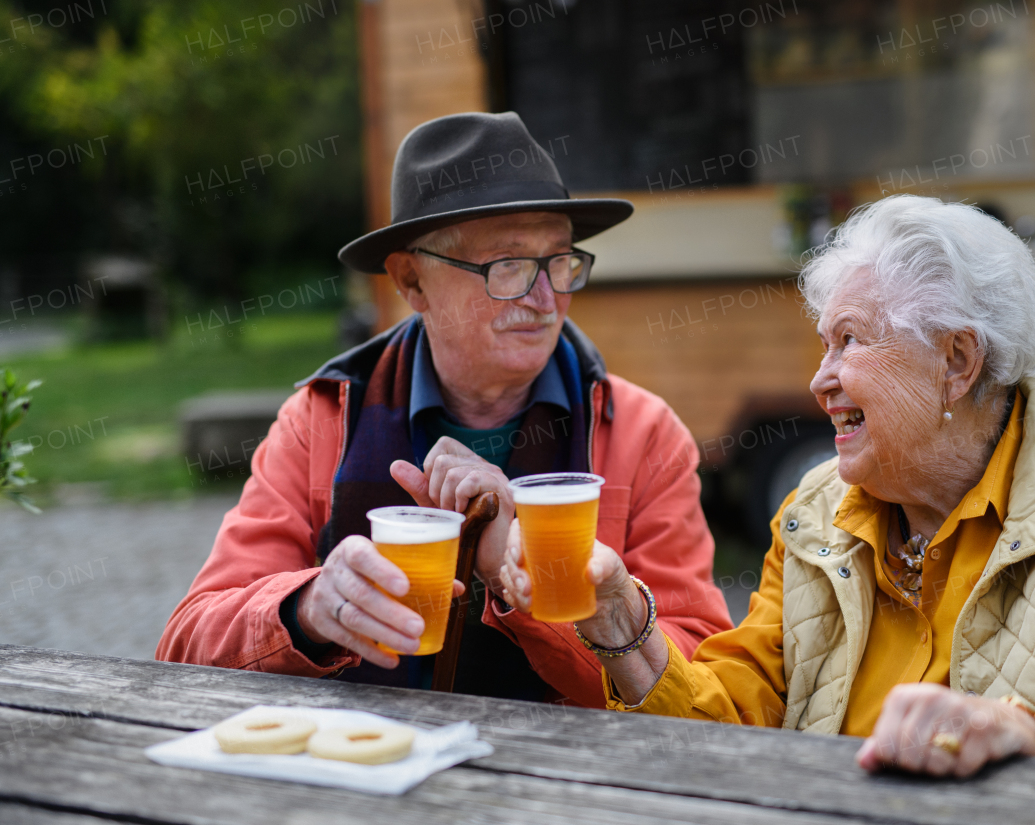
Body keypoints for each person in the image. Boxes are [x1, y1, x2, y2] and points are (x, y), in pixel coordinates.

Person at [497, 194, 1035, 774]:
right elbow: (726, 728)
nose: (820, 381)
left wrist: (1024, 734)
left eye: (849, 341)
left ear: (957, 361)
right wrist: (623, 622)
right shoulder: (814, 512)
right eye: (825, 344)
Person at [157, 112, 733, 706]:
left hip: (565, 788)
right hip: (371, 769)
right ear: (412, 282)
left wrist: (517, 574)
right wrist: (307, 610)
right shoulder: (323, 419)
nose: (544, 298)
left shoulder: (642, 433)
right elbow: (186, 642)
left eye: (559, 261)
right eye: (506, 264)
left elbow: (703, 677)